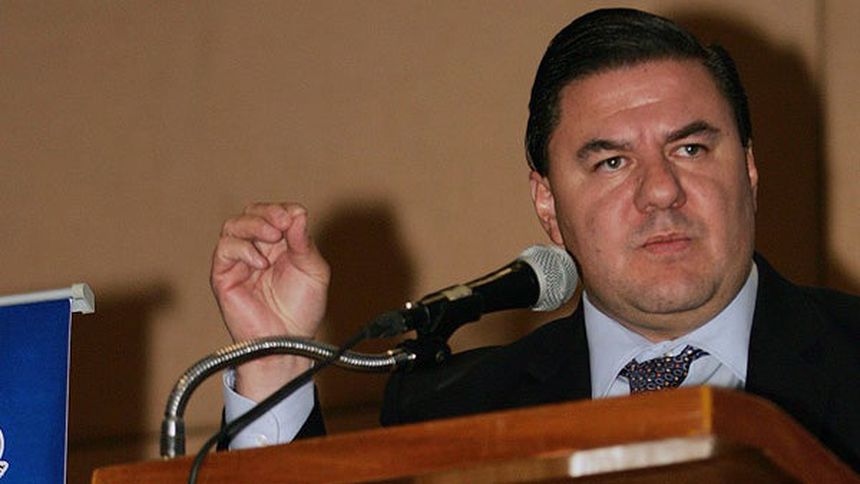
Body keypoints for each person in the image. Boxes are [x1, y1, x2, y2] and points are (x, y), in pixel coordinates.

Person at [210, 8, 859, 470]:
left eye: (690, 149)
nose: (661, 191)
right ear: (547, 203)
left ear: (748, 170)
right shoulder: (454, 414)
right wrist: (275, 365)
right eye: (611, 162)